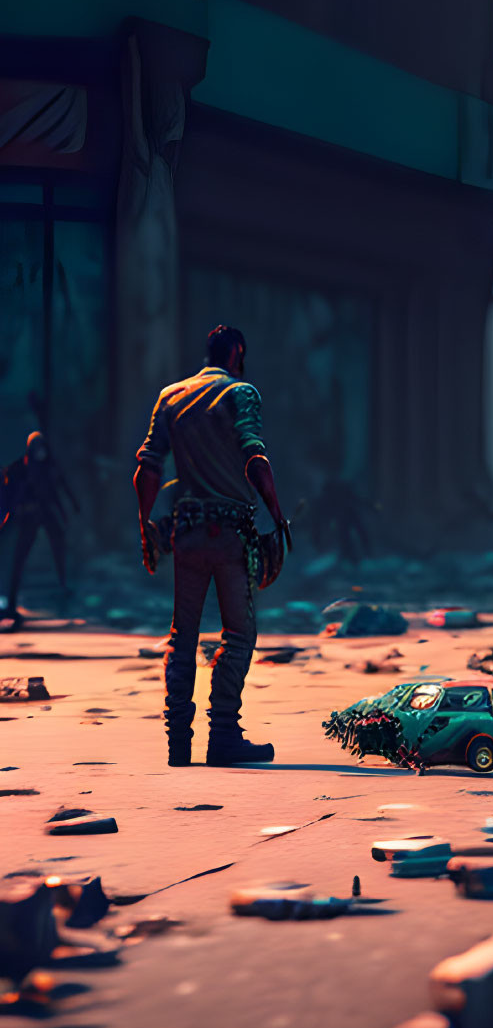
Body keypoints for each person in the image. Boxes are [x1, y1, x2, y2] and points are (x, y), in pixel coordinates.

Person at [134, 325, 291, 767]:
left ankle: (177, 744)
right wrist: (276, 513)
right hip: (229, 535)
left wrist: (143, 526)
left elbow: (146, 467)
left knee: (182, 635)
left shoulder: (171, 397)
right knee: (239, 633)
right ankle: (223, 735)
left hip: (186, 532)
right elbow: (254, 457)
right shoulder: (240, 393)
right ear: (237, 352)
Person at [0, 431, 77, 620]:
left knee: (59, 548)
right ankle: (11, 602)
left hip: (45, 512)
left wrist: (69, 508)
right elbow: (10, 495)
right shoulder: (19, 469)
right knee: (19, 558)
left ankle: (63, 586)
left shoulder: (49, 466)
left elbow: (58, 488)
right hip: (29, 516)